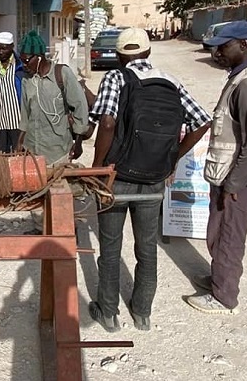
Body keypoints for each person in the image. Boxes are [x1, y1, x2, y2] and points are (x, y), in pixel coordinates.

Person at [87, 27, 211, 332]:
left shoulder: (116, 78)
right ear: (148, 52)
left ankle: (108, 312)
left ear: (118, 55)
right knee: (147, 247)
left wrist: (99, 168)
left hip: (117, 176)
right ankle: (142, 312)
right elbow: (202, 121)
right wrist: (172, 160)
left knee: (111, 247)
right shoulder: (171, 80)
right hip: (155, 175)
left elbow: (106, 121)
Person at [186, 20, 247, 315]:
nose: (216, 53)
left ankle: (224, 297)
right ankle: (219, 279)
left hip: (237, 180)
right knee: (218, 231)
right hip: (229, 176)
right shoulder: (238, 77)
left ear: (244, 45)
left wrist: (234, 183)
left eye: (223, 47)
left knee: (228, 235)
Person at [16, 30, 88, 164]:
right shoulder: (27, 80)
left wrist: (78, 142)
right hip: (31, 152)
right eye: (21, 61)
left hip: (57, 153)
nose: (24, 66)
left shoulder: (62, 74)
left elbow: (80, 107)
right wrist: (20, 141)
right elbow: (25, 114)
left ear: (38, 57)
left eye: (26, 61)